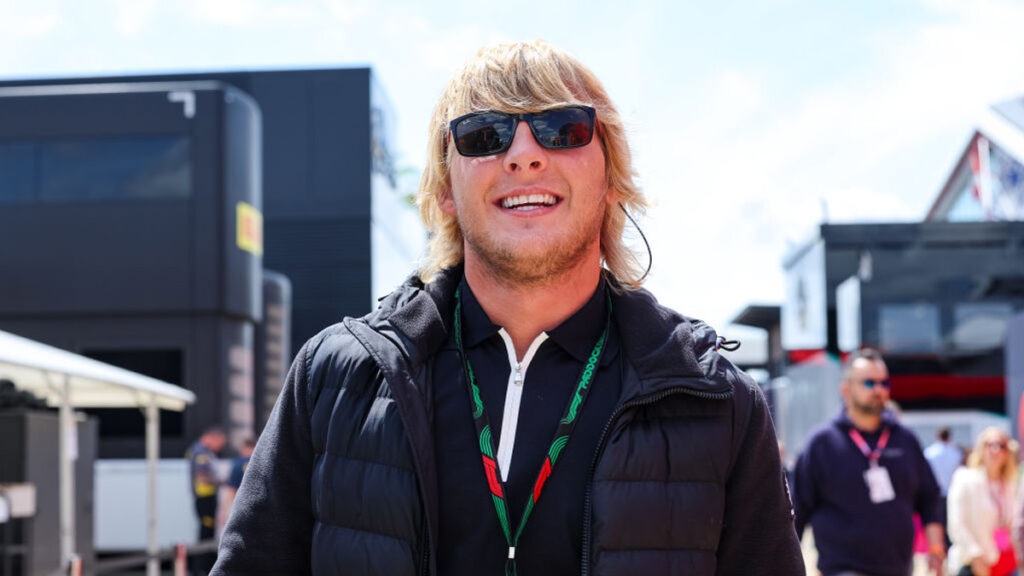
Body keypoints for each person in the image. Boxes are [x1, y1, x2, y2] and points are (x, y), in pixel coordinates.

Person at [213, 39, 803, 576]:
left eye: (564, 129)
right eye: (483, 135)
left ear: (612, 180)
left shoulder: (716, 402)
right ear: (445, 189)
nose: (523, 154)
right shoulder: (336, 379)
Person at [793, 348, 945, 576]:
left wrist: (936, 548)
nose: (878, 390)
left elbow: (929, 498)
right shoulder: (821, 443)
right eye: (869, 383)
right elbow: (796, 511)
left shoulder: (904, 438)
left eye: (884, 383)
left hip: (899, 569)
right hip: (842, 570)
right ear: (846, 389)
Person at [948, 427, 1019, 576]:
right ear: (981, 448)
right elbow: (957, 523)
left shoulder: (1008, 485)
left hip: (1004, 563)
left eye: (1001, 445)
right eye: (990, 444)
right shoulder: (965, 478)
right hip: (973, 565)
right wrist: (975, 555)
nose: (995, 450)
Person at [186, 426, 226, 574]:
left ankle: (203, 568)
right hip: (205, 499)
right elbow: (202, 476)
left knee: (206, 533)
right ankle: (201, 569)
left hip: (206, 498)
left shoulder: (202, 451)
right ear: (212, 438)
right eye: (220, 444)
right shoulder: (201, 452)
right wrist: (222, 481)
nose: (219, 448)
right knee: (205, 535)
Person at [925, 426, 965, 545]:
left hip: (936, 494)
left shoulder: (929, 453)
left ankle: (940, 548)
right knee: (951, 522)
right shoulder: (956, 453)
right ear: (949, 437)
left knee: (937, 523)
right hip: (952, 492)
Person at [218, 437, 256, 531]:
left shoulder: (238, 464)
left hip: (241, 506)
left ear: (244, 448)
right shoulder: (262, 464)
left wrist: (223, 512)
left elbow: (231, 490)